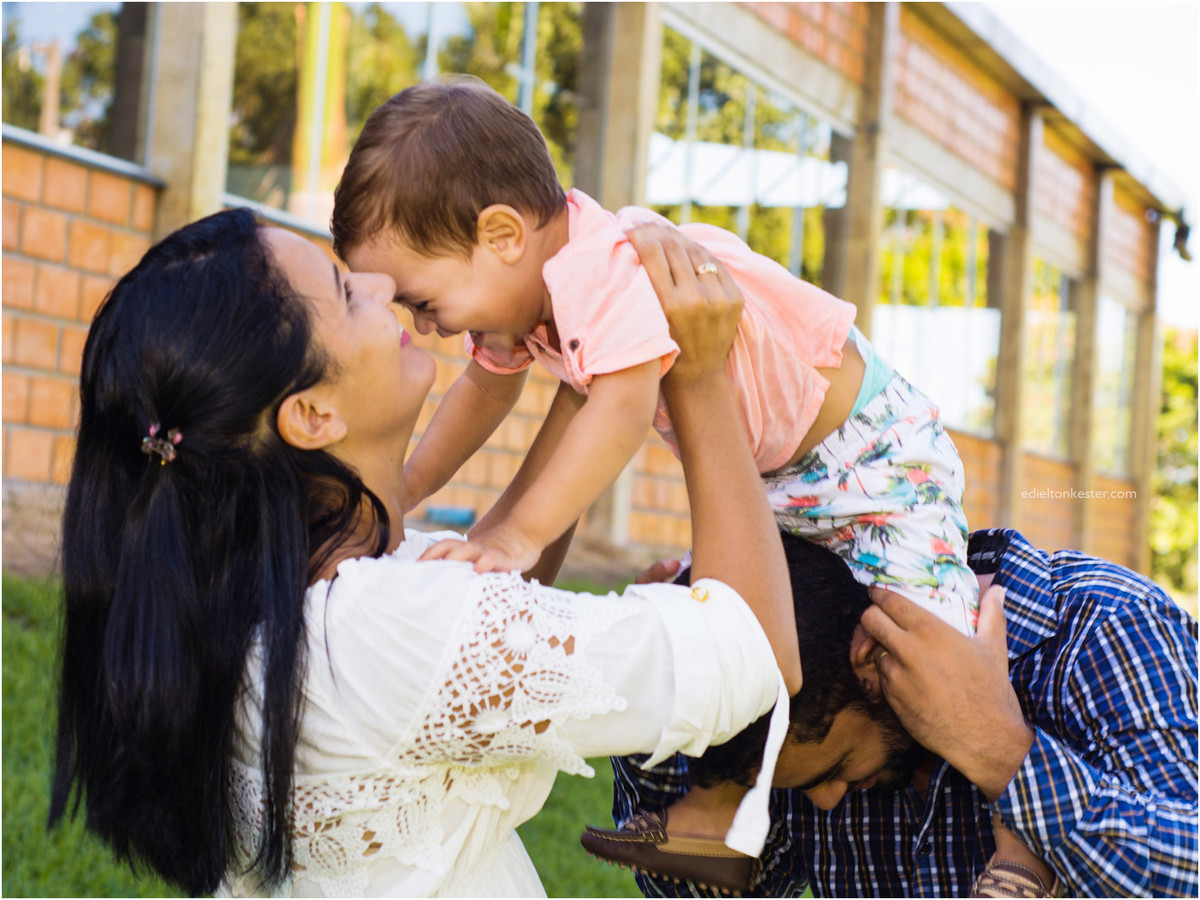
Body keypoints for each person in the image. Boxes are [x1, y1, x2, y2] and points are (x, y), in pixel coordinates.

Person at [330, 76, 1006, 871]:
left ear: (502, 233)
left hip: (870, 458)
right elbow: (485, 390)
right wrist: (404, 488)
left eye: (423, 300)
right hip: (782, 480)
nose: (423, 325)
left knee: (934, 650)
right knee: (750, 623)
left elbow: (617, 409)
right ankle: (714, 811)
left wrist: (517, 535)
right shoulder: (525, 294)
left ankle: (1023, 845)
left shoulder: (598, 273)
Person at [48, 208, 796, 898]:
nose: (380, 283)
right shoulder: (389, 628)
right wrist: (698, 375)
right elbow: (759, 652)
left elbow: (497, 595)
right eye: (345, 294)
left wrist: (596, 357)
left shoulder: (255, 608)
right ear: (312, 415)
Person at [597, 529, 1199, 898]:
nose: (827, 800)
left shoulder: (1104, 629)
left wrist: (1005, 755)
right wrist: (664, 712)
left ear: (873, 660)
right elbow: (729, 890)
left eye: (833, 768)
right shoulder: (805, 690)